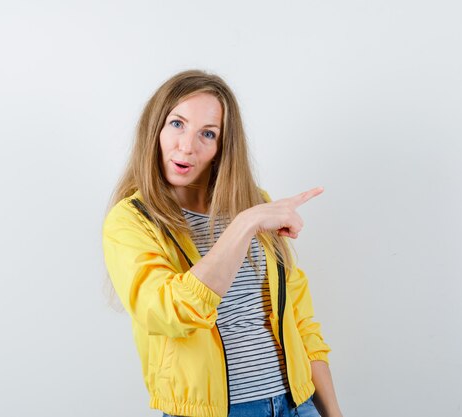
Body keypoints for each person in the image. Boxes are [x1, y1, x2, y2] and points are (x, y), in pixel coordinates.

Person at [102, 69, 343, 417]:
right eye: (176, 124)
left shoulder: (254, 202)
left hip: (296, 403)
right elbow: (168, 312)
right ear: (154, 127)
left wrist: (333, 413)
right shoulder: (131, 220)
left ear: (221, 147)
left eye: (208, 133)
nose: (186, 145)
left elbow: (301, 320)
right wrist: (244, 224)